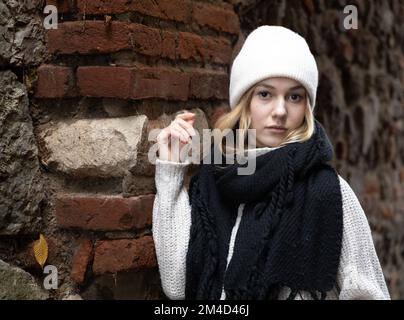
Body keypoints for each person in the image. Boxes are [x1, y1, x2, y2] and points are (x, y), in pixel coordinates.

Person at [152, 25, 391, 300]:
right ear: (245, 101)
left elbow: (368, 294)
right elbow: (176, 285)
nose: (280, 111)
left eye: (294, 96)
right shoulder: (212, 178)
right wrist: (170, 171)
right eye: (265, 94)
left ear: (306, 107)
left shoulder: (329, 191)